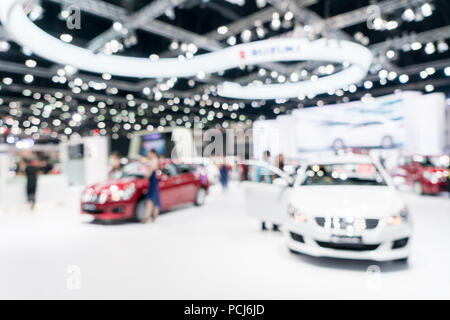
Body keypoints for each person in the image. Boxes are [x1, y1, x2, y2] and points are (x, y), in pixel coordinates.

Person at [143, 149, 161, 223]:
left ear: (153, 153)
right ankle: (153, 215)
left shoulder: (154, 160)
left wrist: (146, 175)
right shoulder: (155, 160)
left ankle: (150, 216)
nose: (148, 155)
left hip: (152, 182)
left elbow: (150, 172)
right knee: (153, 199)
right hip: (153, 182)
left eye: (149, 153)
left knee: (151, 199)